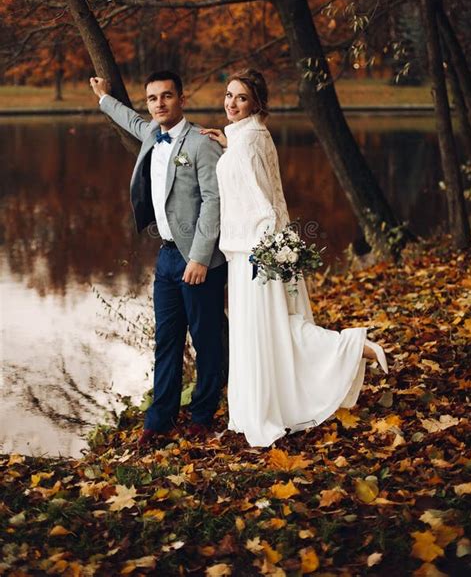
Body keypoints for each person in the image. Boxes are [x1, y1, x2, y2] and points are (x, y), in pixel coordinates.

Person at [200, 68, 388, 448]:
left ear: (257, 103)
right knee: (271, 331)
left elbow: (263, 201)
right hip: (249, 253)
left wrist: (269, 251)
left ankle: (354, 349)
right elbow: (254, 180)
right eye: (228, 95)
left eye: (240, 98)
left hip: (255, 254)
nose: (231, 103)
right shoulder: (249, 137)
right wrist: (227, 145)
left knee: (271, 330)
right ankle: (292, 392)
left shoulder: (250, 141)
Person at [90, 72, 227, 447]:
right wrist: (104, 98)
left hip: (199, 262)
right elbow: (129, 120)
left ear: (181, 98)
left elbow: (214, 202)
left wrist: (199, 258)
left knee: (206, 341)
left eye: (167, 96)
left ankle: (202, 416)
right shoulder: (152, 132)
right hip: (166, 258)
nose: (159, 104)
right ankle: (158, 422)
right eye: (153, 98)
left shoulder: (200, 143)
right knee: (166, 341)